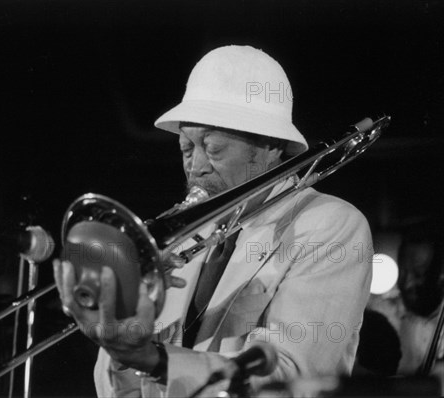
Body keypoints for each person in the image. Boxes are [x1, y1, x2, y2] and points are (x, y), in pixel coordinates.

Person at [53, 45, 373, 397]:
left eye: (214, 148)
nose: (196, 167)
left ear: (270, 145)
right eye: (187, 148)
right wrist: (123, 331)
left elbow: (294, 377)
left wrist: (153, 359)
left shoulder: (330, 226)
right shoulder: (184, 237)